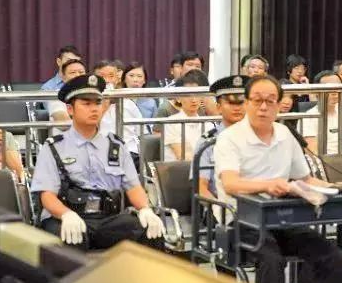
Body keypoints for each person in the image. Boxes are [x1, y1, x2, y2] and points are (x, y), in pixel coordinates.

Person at [213, 74, 342, 283]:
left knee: (331, 255)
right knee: (271, 260)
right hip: (242, 220)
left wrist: (337, 187)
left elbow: (305, 178)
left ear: (279, 105)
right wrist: (267, 185)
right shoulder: (230, 138)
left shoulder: (285, 134)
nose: (263, 107)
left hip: (282, 218)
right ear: (247, 103)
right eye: (257, 100)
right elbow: (230, 183)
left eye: (270, 101)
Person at [30, 74, 165, 250]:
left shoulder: (115, 146)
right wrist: (66, 214)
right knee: (71, 238)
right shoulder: (54, 148)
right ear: (70, 109)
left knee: (150, 230)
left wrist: (145, 209)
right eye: (86, 104)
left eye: (97, 103)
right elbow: (47, 195)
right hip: (65, 215)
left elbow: (133, 187)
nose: (94, 109)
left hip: (106, 218)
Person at [196, 75, 249, 200]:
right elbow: (200, 188)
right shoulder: (207, 142)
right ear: (219, 107)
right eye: (230, 103)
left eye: (241, 102)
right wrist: (220, 208)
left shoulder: (258, 138)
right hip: (219, 205)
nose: (236, 108)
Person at [93, 60, 144, 161]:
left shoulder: (128, 103)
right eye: (102, 76)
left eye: (111, 76)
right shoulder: (88, 105)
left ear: (117, 79)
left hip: (130, 153)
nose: (107, 81)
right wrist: (105, 104)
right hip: (101, 154)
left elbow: (142, 132)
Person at [301, 71, 342, 155]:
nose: (334, 92)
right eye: (328, 88)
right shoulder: (308, 118)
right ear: (316, 92)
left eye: (337, 87)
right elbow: (313, 153)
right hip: (323, 162)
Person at [163, 69, 214, 162]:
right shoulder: (171, 123)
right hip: (178, 169)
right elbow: (182, 155)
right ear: (178, 98)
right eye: (188, 95)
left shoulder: (208, 125)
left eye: (197, 94)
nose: (193, 99)